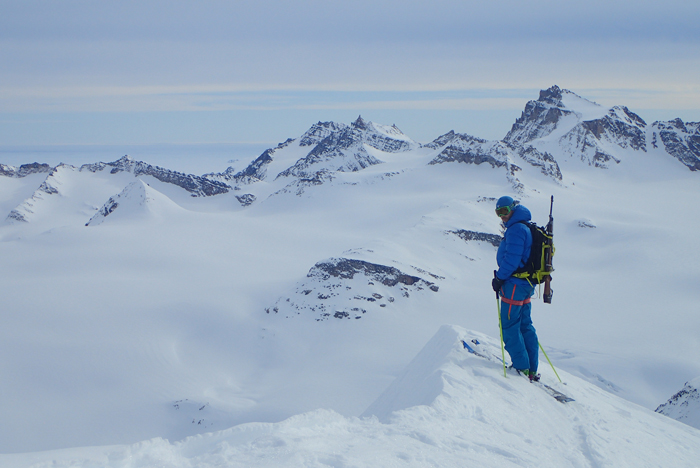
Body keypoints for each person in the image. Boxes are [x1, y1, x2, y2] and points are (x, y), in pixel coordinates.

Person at [491, 196, 540, 381]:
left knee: (509, 325)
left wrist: (499, 278)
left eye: (504, 211)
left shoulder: (516, 229)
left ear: (512, 208)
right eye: (498, 212)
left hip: (514, 285)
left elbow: (511, 259)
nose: (502, 216)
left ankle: (521, 367)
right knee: (525, 325)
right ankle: (531, 368)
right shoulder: (524, 226)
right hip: (525, 284)